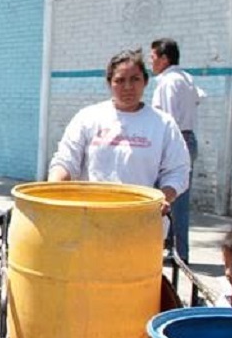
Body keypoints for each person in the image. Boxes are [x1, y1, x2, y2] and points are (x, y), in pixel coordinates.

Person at [48, 49, 190, 214]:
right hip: (89, 218)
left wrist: (165, 196)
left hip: (140, 218)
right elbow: (65, 162)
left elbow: (178, 171)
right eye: (120, 80)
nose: (128, 87)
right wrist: (52, 191)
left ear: (145, 81)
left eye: (135, 79)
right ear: (109, 83)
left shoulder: (163, 124)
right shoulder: (88, 117)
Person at [150, 38, 201, 263]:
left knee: (174, 200)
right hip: (188, 137)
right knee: (176, 199)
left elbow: (168, 119)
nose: (151, 63)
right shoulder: (187, 78)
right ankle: (173, 249)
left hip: (176, 139)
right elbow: (199, 99)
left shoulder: (168, 82)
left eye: (153, 58)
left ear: (164, 59)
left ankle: (179, 254)